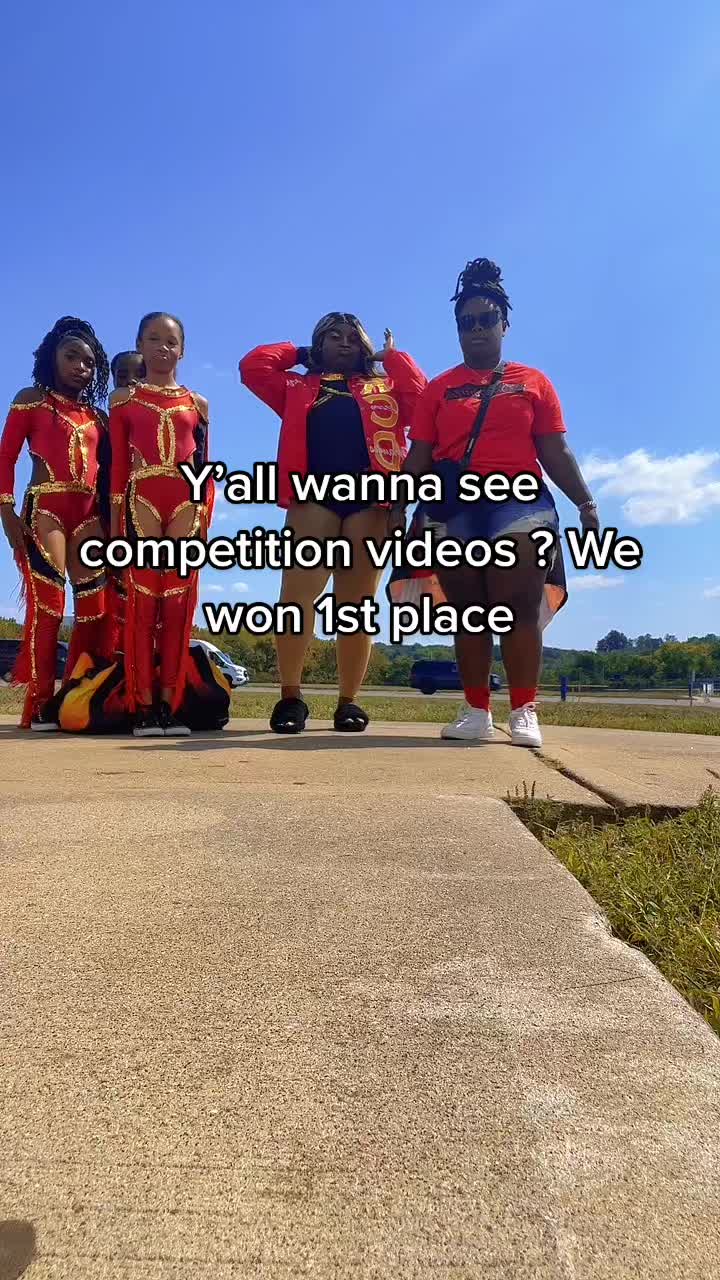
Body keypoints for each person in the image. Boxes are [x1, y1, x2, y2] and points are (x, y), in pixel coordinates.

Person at [388, 259, 599, 748]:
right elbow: (420, 453)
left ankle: (524, 709)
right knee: (470, 611)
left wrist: (585, 502)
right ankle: (476, 710)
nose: (477, 329)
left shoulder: (533, 381)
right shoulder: (439, 389)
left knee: (518, 604)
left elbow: (554, 449)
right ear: (458, 330)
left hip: (518, 502)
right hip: (453, 504)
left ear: (504, 324)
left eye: (487, 320)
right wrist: (397, 505)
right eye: (467, 322)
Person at [240, 315, 426, 734]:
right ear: (319, 344)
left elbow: (422, 401)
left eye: (352, 338)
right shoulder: (296, 386)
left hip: (371, 501)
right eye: (333, 337)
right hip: (313, 496)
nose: (344, 344)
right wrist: (301, 353)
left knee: (356, 606)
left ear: (365, 347)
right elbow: (253, 367)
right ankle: (291, 697)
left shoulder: (385, 387)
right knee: (296, 600)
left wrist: (393, 358)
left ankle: (348, 701)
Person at [0, 316, 113, 729]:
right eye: (72, 357)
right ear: (52, 357)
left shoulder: (98, 418)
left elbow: (110, 476)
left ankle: (77, 697)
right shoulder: (31, 400)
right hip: (45, 509)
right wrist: (6, 511)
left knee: (95, 608)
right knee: (49, 606)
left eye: (89, 363)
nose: (81, 367)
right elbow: (6, 456)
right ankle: (40, 702)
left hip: (89, 517)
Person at [109, 312, 212, 737]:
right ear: (140, 344)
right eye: (153, 339)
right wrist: (115, 530)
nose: (162, 348)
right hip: (142, 499)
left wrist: (205, 520)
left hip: (186, 503)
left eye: (171, 341)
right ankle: (144, 705)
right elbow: (117, 467)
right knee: (142, 604)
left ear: (182, 350)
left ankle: (170, 703)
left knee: (176, 607)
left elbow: (204, 466)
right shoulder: (123, 401)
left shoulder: (198, 403)